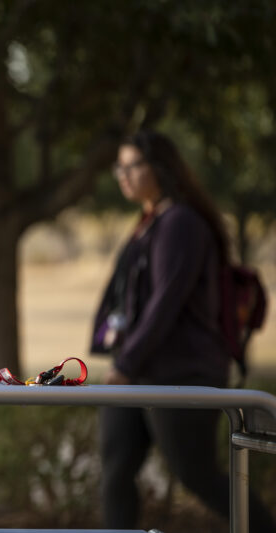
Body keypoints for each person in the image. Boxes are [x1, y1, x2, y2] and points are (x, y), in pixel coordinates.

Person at [91, 130, 275, 531]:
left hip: (179, 373)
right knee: (116, 472)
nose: (121, 175)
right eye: (118, 167)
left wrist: (125, 363)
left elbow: (165, 305)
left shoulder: (181, 223)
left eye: (131, 165)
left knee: (198, 476)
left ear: (160, 167)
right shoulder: (150, 221)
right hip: (141, 371)